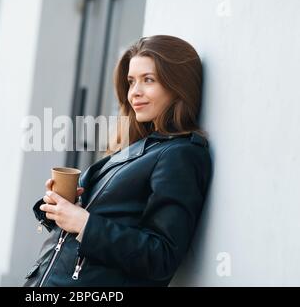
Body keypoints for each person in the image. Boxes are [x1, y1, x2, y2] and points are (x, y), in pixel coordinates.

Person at [23, 35, 213, 287]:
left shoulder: (181, 155)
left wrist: (84, 224)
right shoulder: (138, 148)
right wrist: (62, 207)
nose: (135, 92)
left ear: (177, 84)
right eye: (131, 81)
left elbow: (162, 256)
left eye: (149, 80)